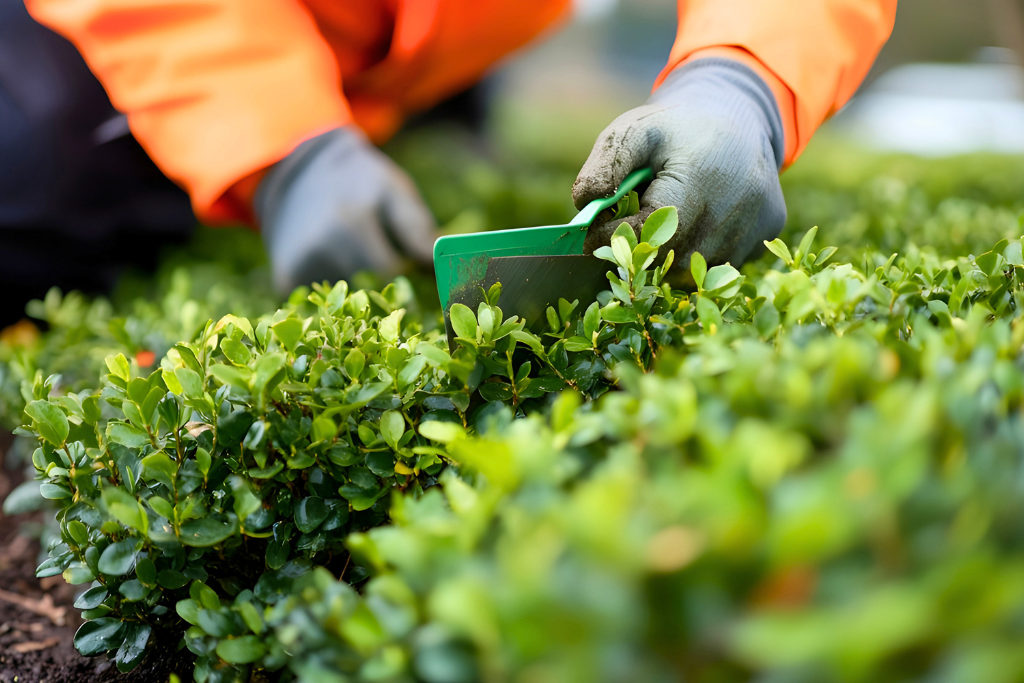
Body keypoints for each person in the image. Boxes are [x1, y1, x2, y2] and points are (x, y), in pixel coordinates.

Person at [16, 0, 897, 297]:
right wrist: (276, 141)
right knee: (39, 187)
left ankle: (428, 114)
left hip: (435, 44)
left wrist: (743, 76)